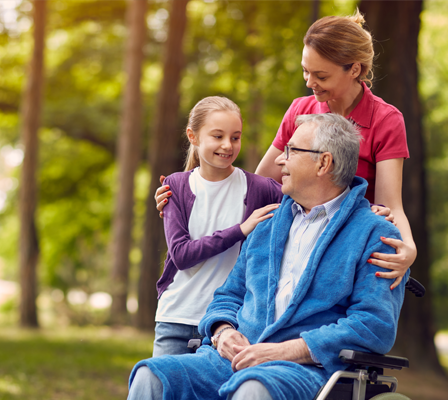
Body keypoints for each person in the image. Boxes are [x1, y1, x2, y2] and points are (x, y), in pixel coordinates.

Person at [128, 113, 407, 400]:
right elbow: (228, 295)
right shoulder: (268, 225)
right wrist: (222, 331)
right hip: (230, 360)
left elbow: (374, 325)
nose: (279, 160)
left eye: (292, 151)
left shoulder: (375, 234)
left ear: (324, 163)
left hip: (305, 370)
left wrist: (288, 350)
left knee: (253, 388)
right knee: (151, 376)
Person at [154, 10, 415, 290]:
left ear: (354, 69)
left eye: (321, 75)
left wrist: (408, 249)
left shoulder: (386, 120)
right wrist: (187, 192)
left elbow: (390, 206)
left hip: (348, 245)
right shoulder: (300, 110)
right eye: (305, 70)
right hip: (296, 244)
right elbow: (259, 183)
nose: (309, 82)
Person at [153, 96, 282, 357]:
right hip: (177, 318)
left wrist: (368, 207)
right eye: (218, 136)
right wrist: (241, 229)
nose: (227, 145)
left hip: (228, 324)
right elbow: (181, 255)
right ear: (193, 136)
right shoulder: (175, 187)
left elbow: (313, 205)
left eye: (235, 137)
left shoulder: (260, 188)